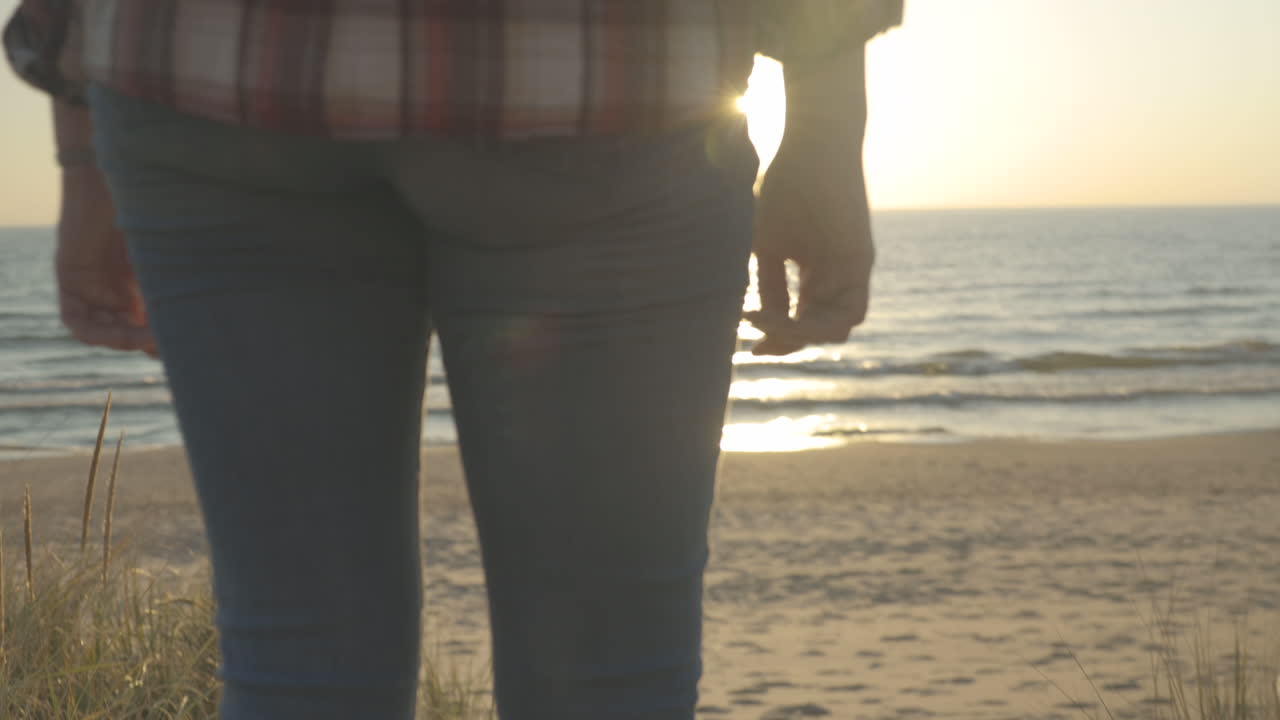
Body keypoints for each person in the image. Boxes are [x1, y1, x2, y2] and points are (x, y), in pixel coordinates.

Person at [5, 1, 901, 718]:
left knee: (300, 666)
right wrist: (827, 117)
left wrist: (79, 143)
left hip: (204, 76)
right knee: (608, 678)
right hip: (611, 79)